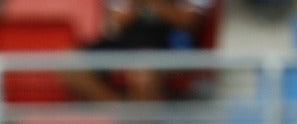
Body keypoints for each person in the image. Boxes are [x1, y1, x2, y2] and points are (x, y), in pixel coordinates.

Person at [63, 0, 217, 103]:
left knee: (143, 75)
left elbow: (188, 22)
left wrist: (153, 3)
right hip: (126, 42)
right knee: (71, 65)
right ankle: (125, 115)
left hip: (171, 45)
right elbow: (114, 23)